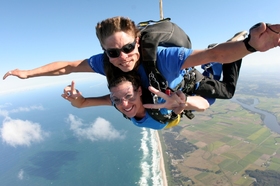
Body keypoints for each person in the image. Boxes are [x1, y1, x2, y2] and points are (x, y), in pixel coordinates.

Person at [62, 70, 210, 130]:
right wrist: (76, 98)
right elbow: (81, 104)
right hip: (164, 123)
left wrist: (181, 103)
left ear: (139, 91)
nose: (123, 104)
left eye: (128, 96)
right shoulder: (115, 101)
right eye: (116, 99)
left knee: (225, 90)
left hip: (174, 116)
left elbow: (203, 105)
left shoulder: (158, 103)